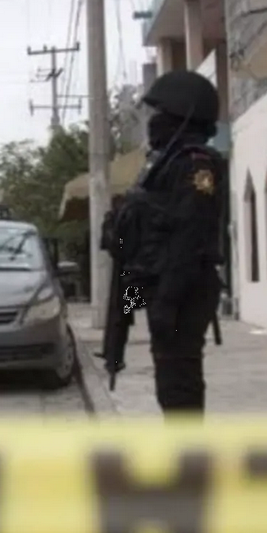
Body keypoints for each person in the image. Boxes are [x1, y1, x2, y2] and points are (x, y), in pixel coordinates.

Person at [111, 69, 224, 414]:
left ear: (182, 116)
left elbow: (190, 237)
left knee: (179, 380)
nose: (153, 122)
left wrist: (170, 300)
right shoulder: (163, 164)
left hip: (184, 289)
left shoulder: (196, 164)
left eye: (161, 114)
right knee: (168, 375)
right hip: (160, 284)